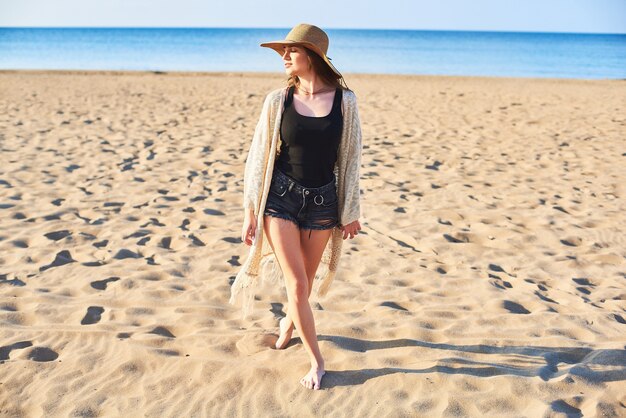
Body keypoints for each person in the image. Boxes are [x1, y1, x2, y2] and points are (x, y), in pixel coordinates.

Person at [229, 23, 363, 391]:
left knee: (301, 285)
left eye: (292, 51)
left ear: (313, 56)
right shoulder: (278, 100)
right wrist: (250, 211)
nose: (284, 58)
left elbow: (350, 159)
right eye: (283, 52)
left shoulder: (345, 102)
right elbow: (258, 157)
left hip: (323, 202)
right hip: (281, 199)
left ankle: (289, 323)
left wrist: (350, 210)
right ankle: (317, 361)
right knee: (299, 284)